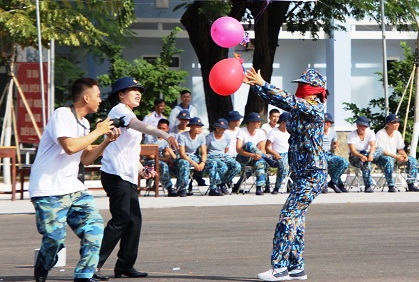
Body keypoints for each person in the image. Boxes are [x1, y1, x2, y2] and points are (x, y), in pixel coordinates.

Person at [30, 78, 120, 282]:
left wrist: (106, 141)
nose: (100, 100)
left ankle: (84, 276)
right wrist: (99, 132)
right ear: (86, 97)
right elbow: (70, 146)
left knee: (95, 229)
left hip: (73, 189)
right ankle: (43, 263)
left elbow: (86, 159)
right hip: (48, 190)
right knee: (54, 239)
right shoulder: (62, 114)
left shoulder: (85, 123)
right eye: (98, 95)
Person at [245, 68, 328, 281]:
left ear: (316, 91)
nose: (300, 89)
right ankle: (296, 267)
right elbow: (282, 102)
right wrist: (255, 84)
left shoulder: (315, 108)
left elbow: (289, 100)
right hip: (301, 173)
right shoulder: (300, 108)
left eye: (304, 86)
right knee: (297, 219)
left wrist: (264, 83)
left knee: (287, 216)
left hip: (313, 173)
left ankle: (279, 268)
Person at [94, 77, 178, 280]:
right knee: (121, 219)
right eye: (132, 90)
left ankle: (125, 265)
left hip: (126, 174)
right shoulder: (119, 110)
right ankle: (91, 265)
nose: (138, 93)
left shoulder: (128, 112)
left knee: (134, 221)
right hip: (115, 174)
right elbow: (137, 125)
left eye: (139, 90)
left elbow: (128, 150)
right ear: (121, 95)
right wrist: (164, 134)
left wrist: (141, 169)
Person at [176, 117, 222, 196]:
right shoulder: (182, 136)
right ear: (191, 126)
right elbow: (182, 154)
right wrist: (194, 164)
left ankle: (213, 188)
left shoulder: (201, 136)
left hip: (195, 157)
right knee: (184, 163)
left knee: (213, 163)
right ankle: (183, 188)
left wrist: (203, 163)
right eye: (197, 126)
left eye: (200, 127)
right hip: (185, 158)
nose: (199, 128)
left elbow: (204, 152)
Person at [374, 113, 419, 192]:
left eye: (398, 122)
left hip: (395, 157)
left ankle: (411, 184)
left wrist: (405, 156)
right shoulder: (380, 134)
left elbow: (400, 149)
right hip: (383, 159)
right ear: (388, 124)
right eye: (394, 122)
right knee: (389, 160)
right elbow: (381, 151)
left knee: (412, 160)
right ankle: (391, 186)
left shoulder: (397, 134)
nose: (397, 124)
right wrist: (395, 156)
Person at [234, 112, 268, 196]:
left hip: (256, 157)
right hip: (243, 157)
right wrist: (252, 155)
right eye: (257, 121)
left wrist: (257, 156)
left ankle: (259, 188)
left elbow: (262, 149)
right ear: (250, 122)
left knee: (259, 163)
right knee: (249, 144)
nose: (259, 123)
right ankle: (268, 159)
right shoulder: (242, 131)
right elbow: (238, 149)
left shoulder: (260, 132)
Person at [206, 118, 242, 194]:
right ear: (216, 127)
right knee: (223, 167)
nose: (220, 130)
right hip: (212, 156)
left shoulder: (227, 137)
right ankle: (217, 185)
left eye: (223, 128)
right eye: (219, 128)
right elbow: (205, 150)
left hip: (222, 155)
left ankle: (222, 182)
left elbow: (226, 150)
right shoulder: (209, 137)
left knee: (237, 166)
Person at [143, 118, 178, 197]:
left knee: (175, 163)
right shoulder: (150, 137)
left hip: (158, 159)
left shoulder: (166, 139)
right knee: (162, 165)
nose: (161, 130)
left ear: (167, 129)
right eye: (159, 128)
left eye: (163, 129)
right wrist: (163, 159)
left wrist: (168, 157)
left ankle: (181, 187)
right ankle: (169, 188)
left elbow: (166, 152)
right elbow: (150, 155)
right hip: (149, 161)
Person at [347, 116, 383, 193]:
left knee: (380, 150)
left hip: (367, 155)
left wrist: (371, 154)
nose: (362, 128)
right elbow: (352, 151)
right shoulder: (352, 135)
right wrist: (361, 156)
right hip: (355, 157)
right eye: (360, 125)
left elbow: (372, 145)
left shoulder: (370, 133)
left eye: (364, 126)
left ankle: (368, 185)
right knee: (365, 161)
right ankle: (368, 185)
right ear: (357, 125)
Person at [322, 113, 349, 193]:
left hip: (328, 154)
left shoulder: (332, 132)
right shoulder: (316, 132)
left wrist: (335, 145)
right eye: (324, 121)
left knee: (344, 163)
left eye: (328, 122)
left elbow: (335, 142)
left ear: (330, 123)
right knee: (329, 164)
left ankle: (333, 182)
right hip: (319, 155)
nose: (325, 124)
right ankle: (337, 183)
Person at [265, 112, 291, 195]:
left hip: (289, 154)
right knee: (284, 165)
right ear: (283, 122)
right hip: (278, 154)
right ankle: (277, 187)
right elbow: (267, 147)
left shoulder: (291, 132)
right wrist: (275, 154)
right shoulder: (273, 132)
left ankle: (291, 186)